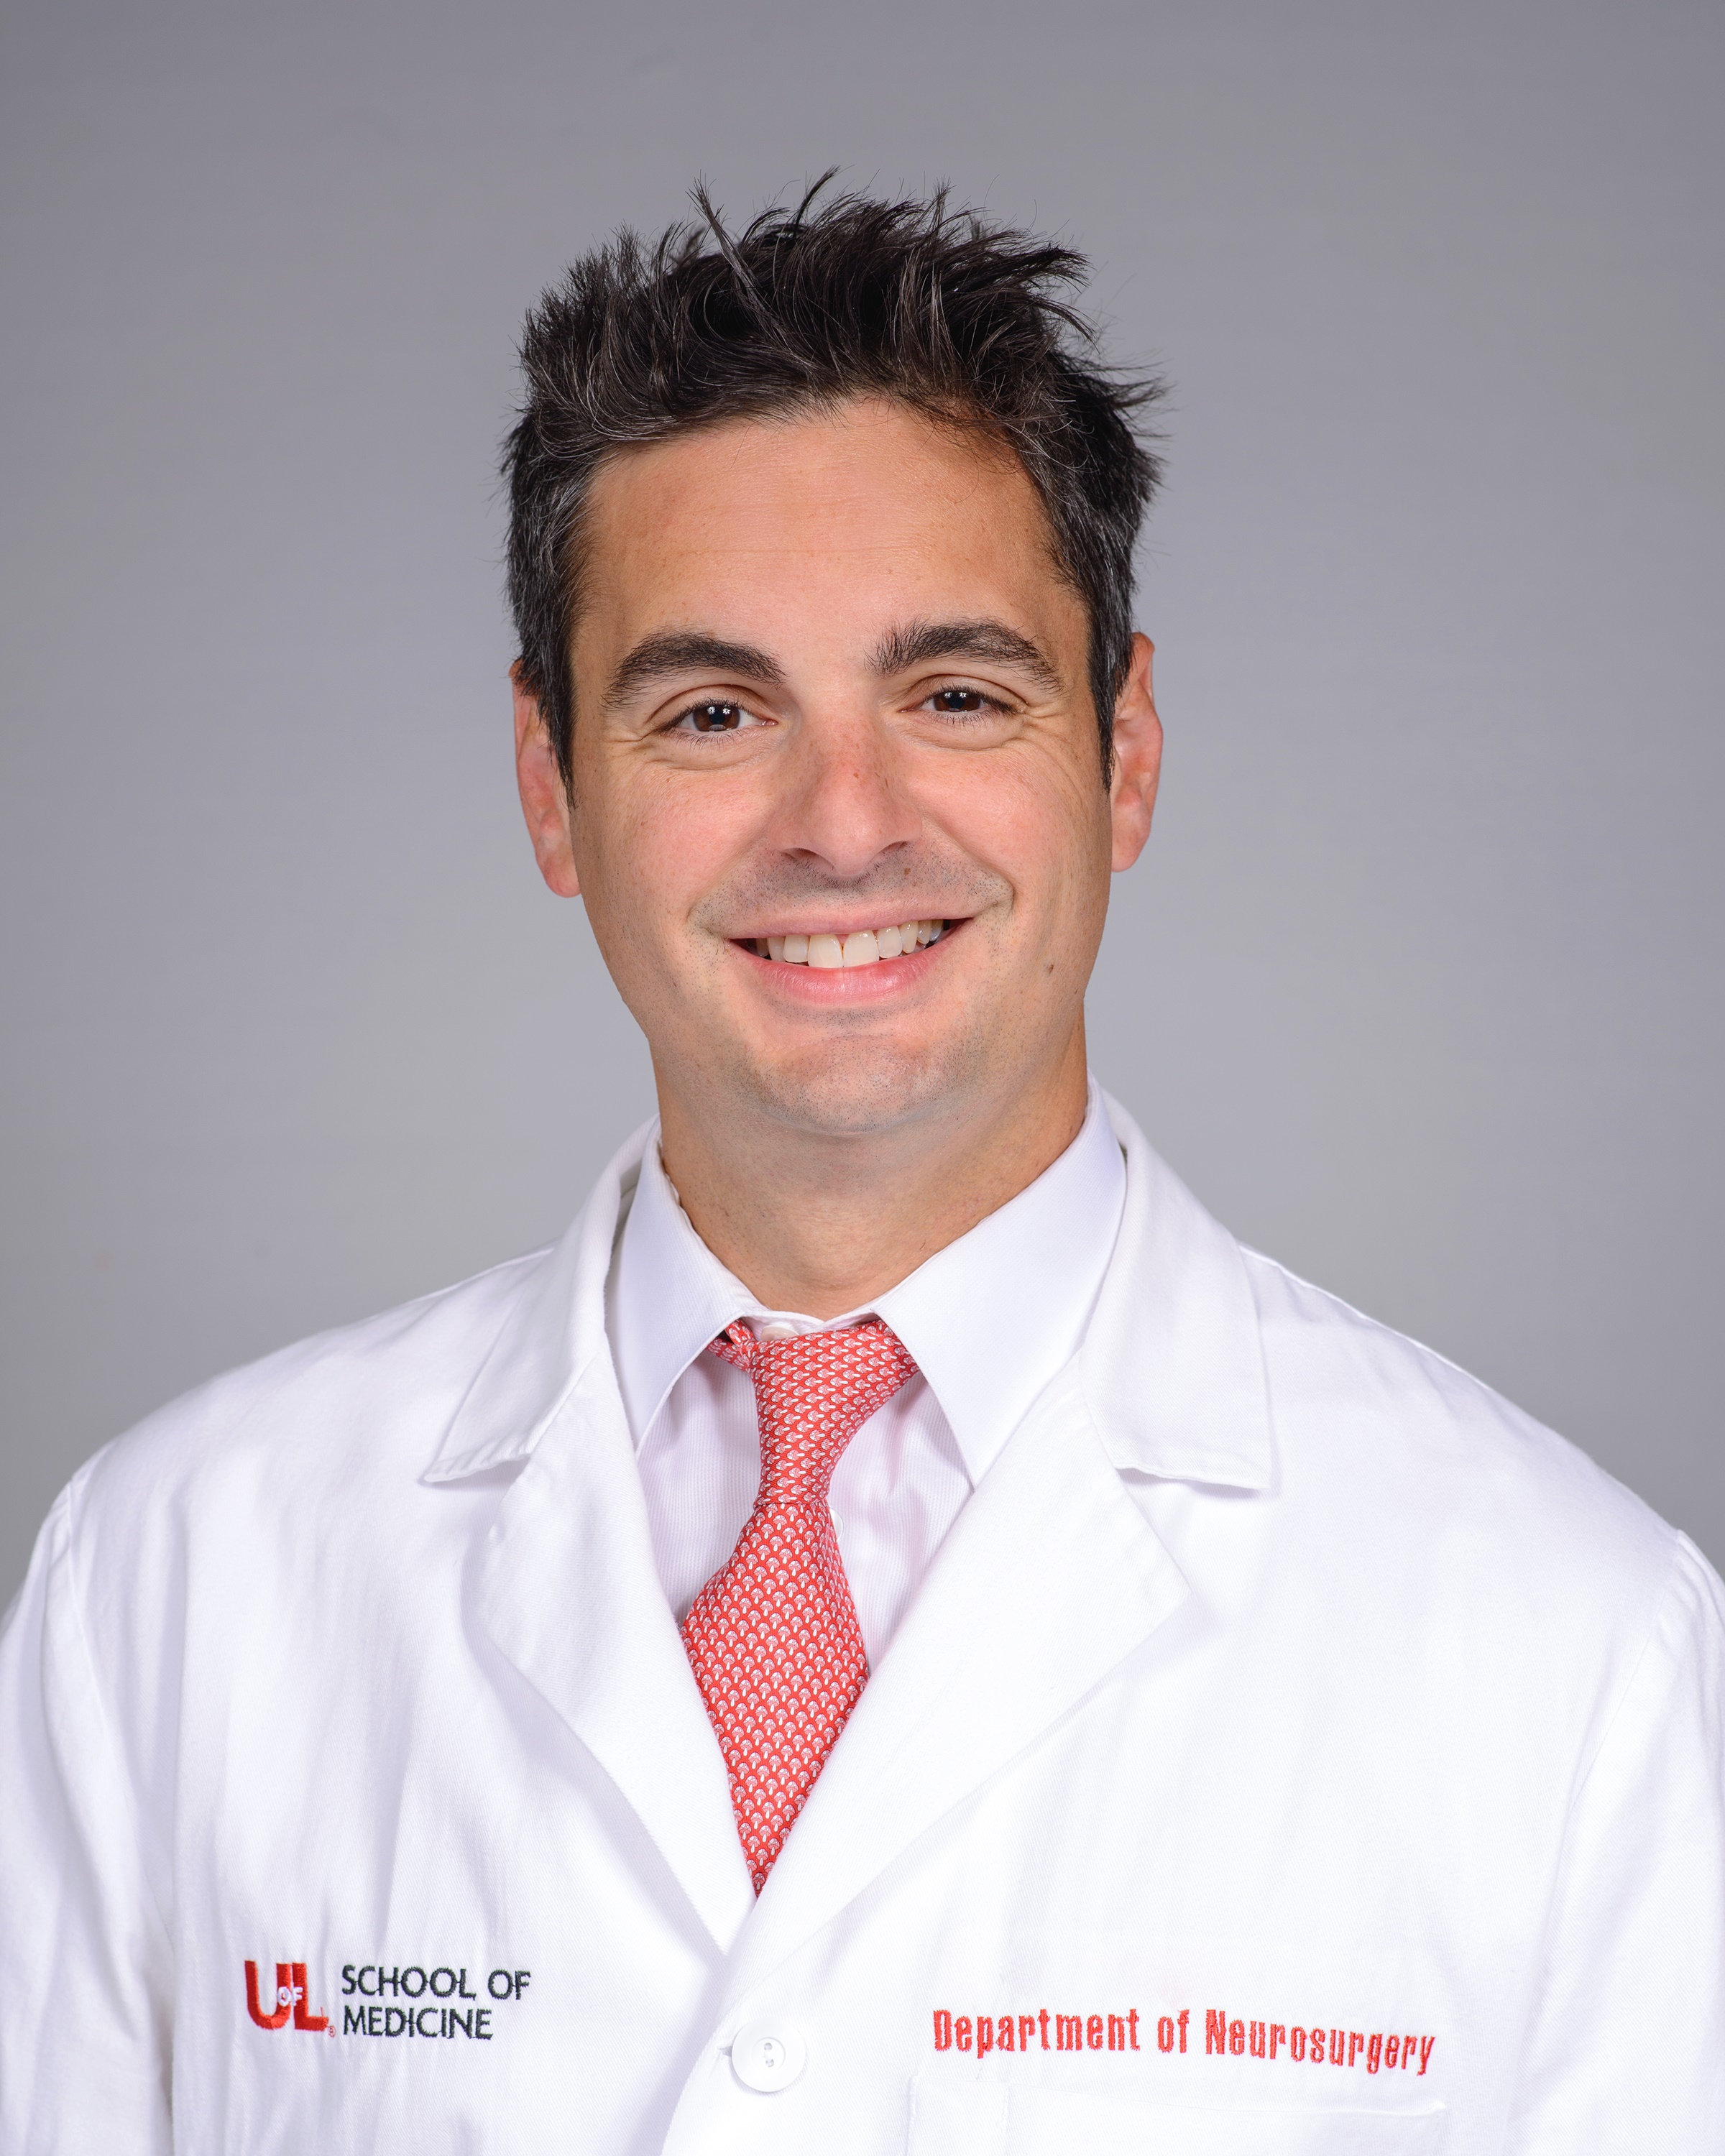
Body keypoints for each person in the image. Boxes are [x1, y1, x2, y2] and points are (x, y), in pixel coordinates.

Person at [1, 184, 1721, 2155]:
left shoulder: (1574, 1649)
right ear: (552, 786)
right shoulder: (176, 1584)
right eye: (715, 711)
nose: (842, 824)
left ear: (1126, 750)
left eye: (957, 695)